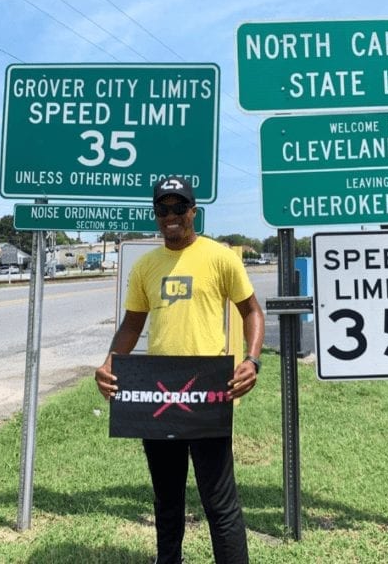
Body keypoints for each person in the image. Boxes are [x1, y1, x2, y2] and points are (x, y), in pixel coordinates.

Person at [95, 176, 265, 564]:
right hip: (158, 398)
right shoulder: (146, 266)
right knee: (166, 500)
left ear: (193, 212)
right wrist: (109, 362)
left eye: (179, 207)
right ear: (155, 214)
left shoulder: (221, 257)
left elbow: (252, 311)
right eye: (162, 208)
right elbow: (132, 325)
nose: (170, 215)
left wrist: (252, 360)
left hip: (209, 396)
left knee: (219, 503)